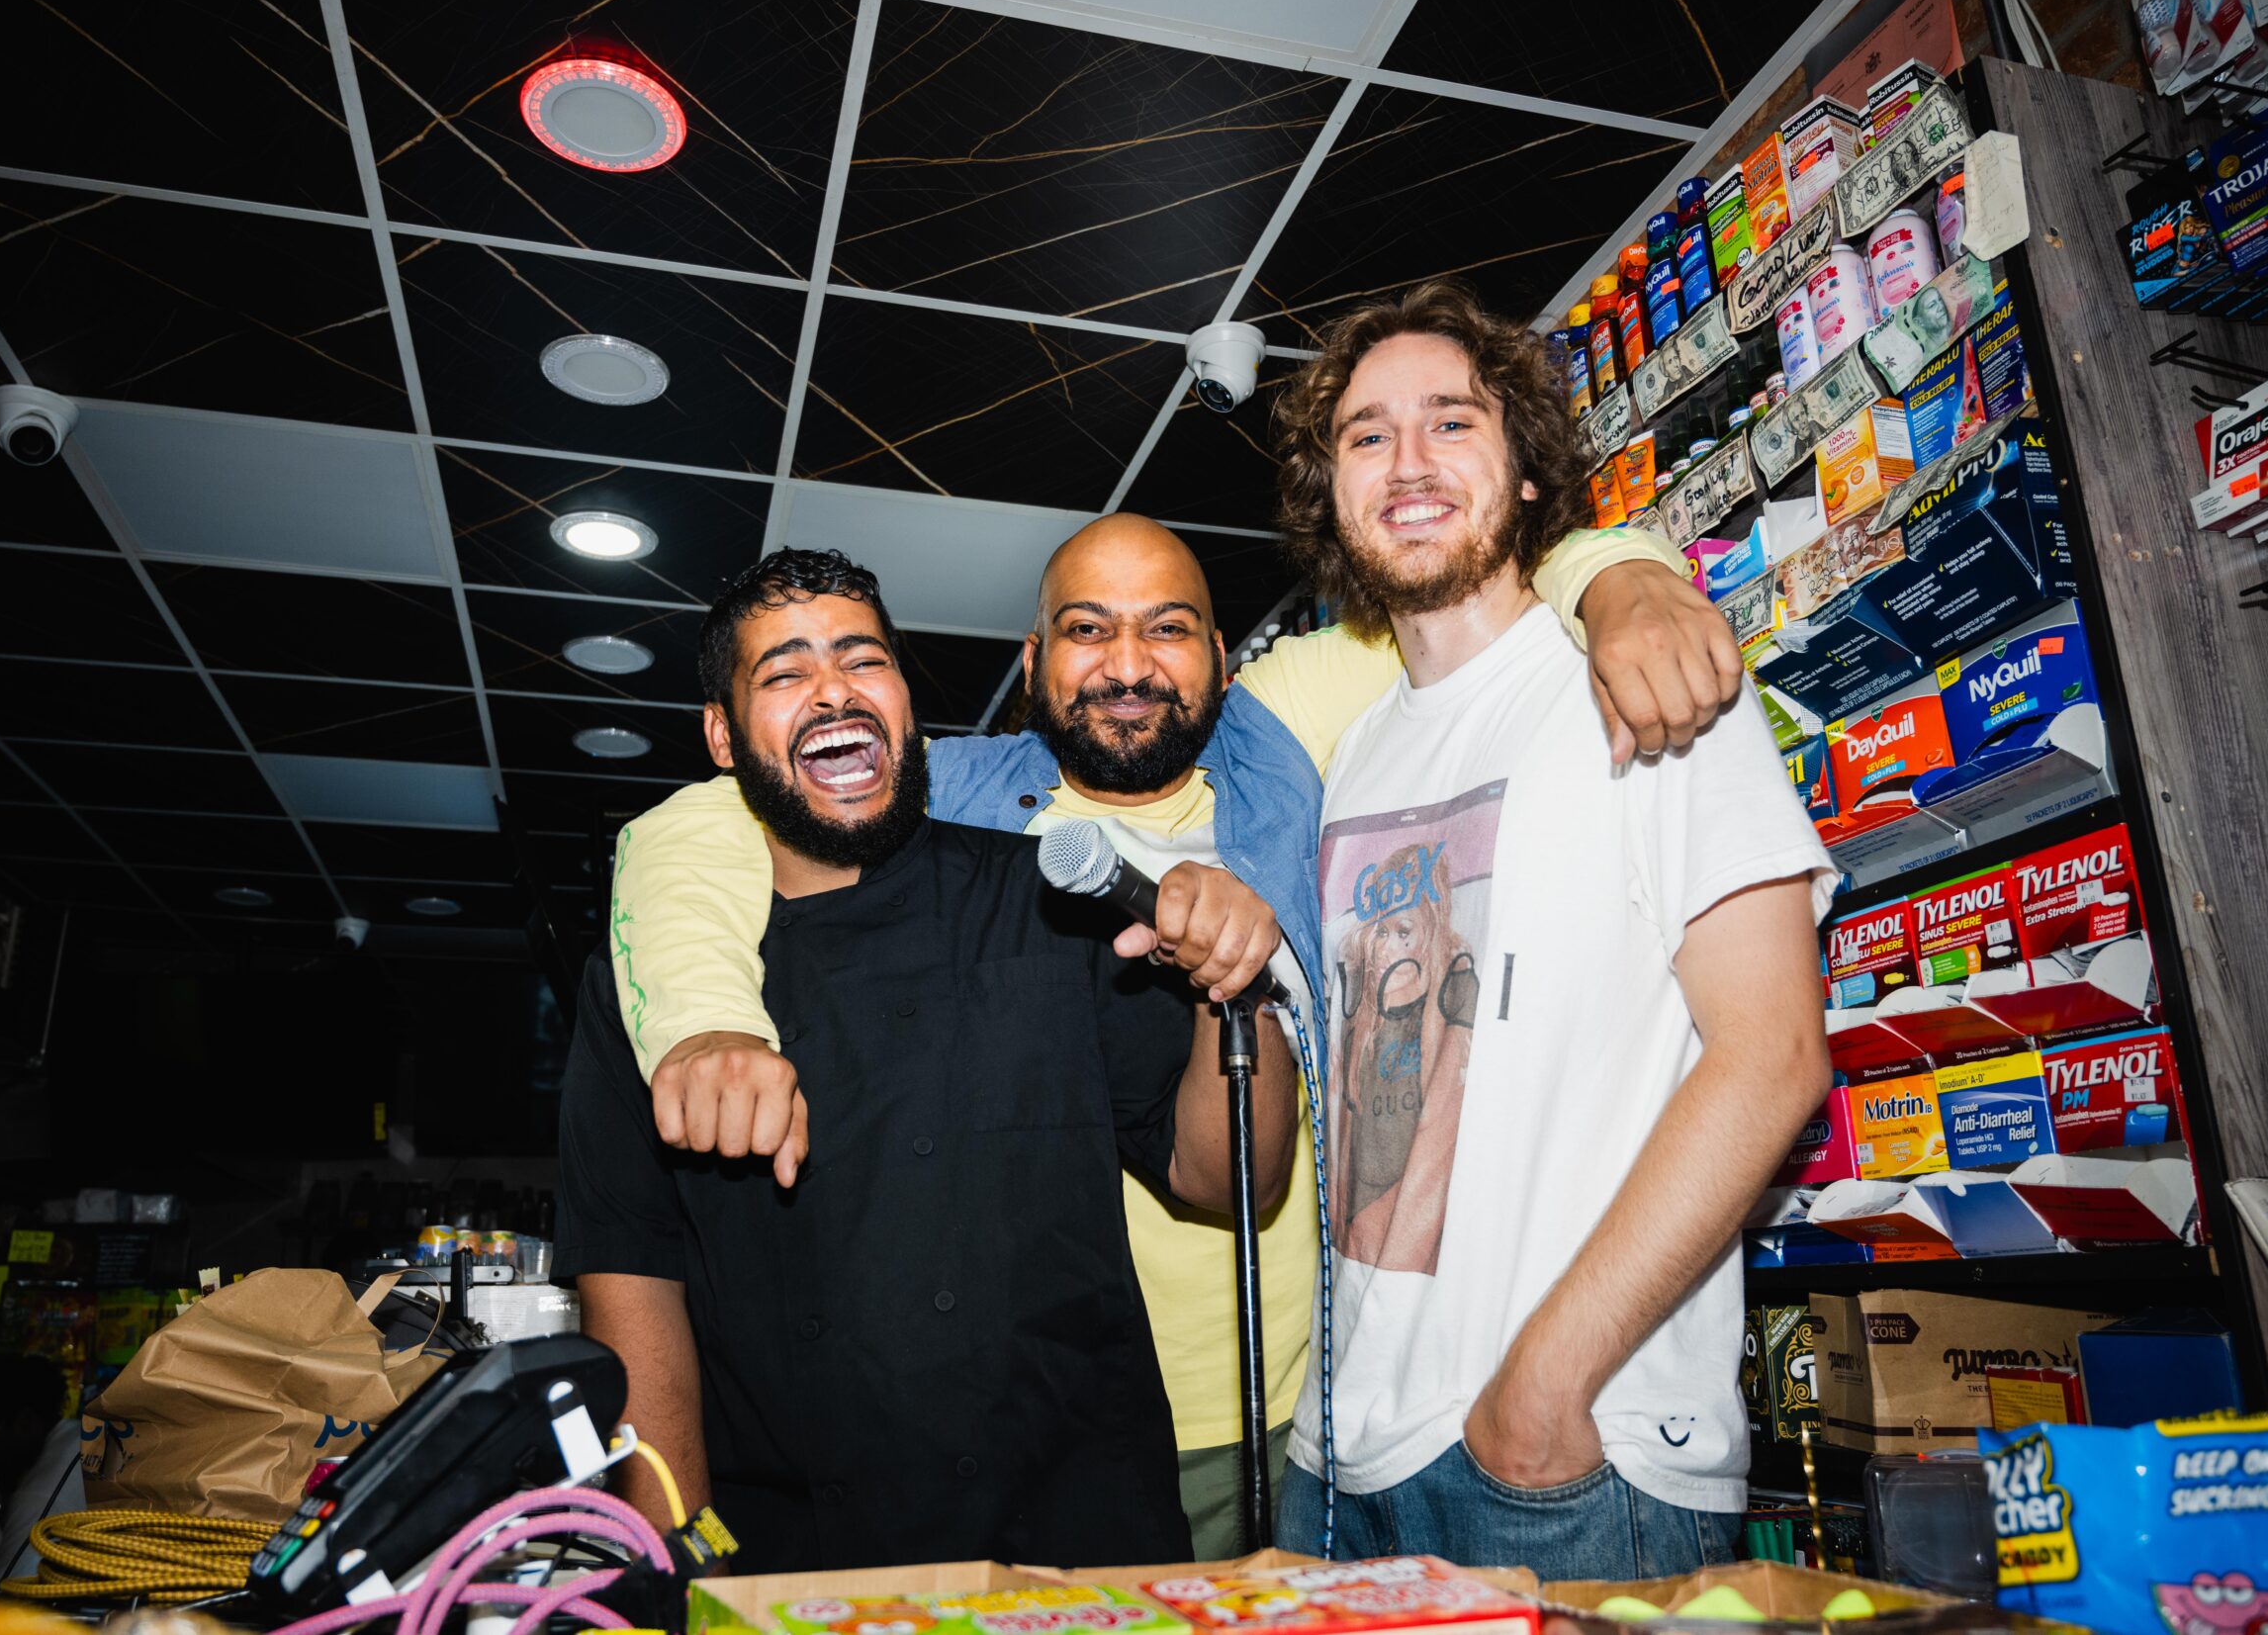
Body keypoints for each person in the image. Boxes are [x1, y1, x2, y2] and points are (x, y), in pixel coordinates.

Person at [607, 513, 1743, 1555]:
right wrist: (704, 1022)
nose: (1128, 663)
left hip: (1304, 1397)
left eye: (1169, 628)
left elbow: (1455, 557)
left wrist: (1622, 578)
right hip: (1045, 1424)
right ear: (1031, 662)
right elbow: (698, 818)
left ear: (1224, 656)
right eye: (1085, 630)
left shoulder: (1288, 728)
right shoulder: (940, 795)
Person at [558, 548, 1297, 1574]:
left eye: (864, 659)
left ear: (906, 699)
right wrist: (674, 1559)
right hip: (798, 1560)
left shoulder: (1053, 899)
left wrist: (1237, 993)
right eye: (784, 673)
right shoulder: (652, 986)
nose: (833, 691)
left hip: (1083, 1546)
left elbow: (1224, 1181)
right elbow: (632, 1282)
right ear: (722, 738)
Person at [1270, 280, 1836, 1578]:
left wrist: (1543, 1386)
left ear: (1526, 470)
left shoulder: (1641, 679)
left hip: (1559, 1464)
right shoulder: (1351, 758)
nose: (1408, 462)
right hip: (1338, 1465)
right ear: (1331, 491)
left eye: (1451, 423)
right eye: (1365, 434)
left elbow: (1774, 1053)